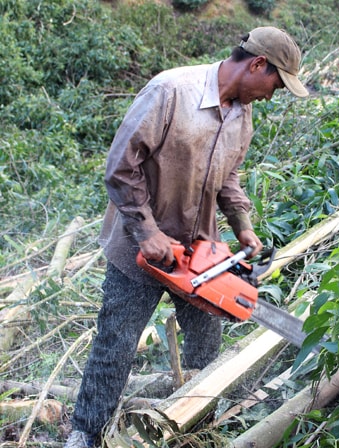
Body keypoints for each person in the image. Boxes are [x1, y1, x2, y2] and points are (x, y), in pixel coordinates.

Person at [64, 26, 309, 448]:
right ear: (257, 64)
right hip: (138, 249)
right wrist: (147, 231)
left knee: (205, 349)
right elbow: (121, 167)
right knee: (115, 346)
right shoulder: (170, 91)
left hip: (198, 251)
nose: (273, 95)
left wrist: (242, 224)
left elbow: (228, 175)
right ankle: (84, 435)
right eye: (276, 83)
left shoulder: (242, 113)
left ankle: (196, 427)